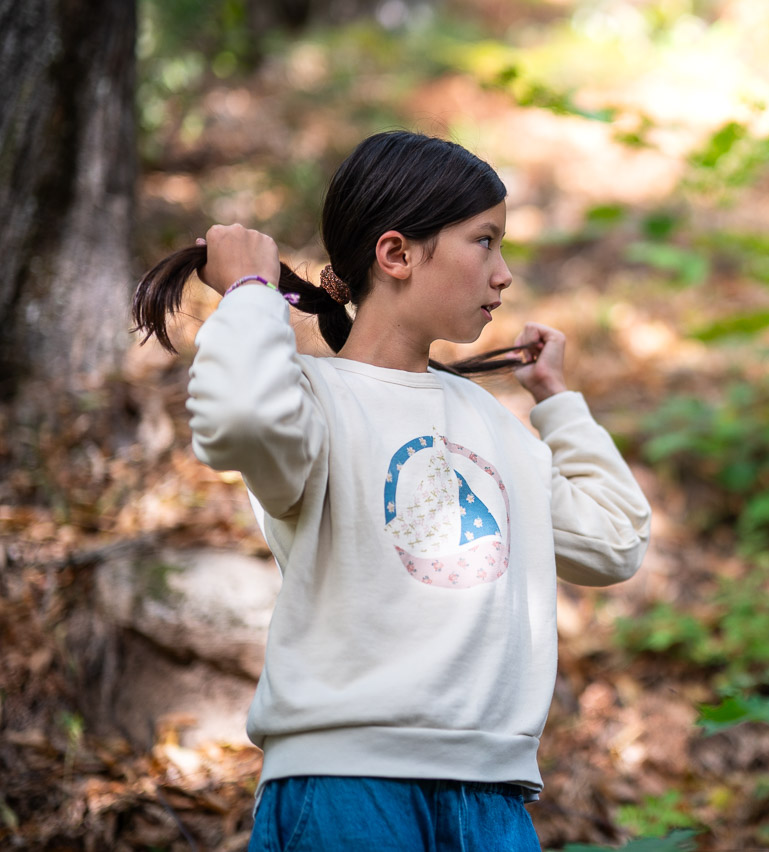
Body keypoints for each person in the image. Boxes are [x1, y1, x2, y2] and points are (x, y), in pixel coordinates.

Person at [132, 131, 652, 851]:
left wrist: (558, 403)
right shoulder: (309, 400)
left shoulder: (492, 425)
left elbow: (615, 541)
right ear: (397, 254)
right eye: (485, 242)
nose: (504, 275)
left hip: (492, 798)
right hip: (345, 785)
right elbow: (241, 420)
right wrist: (250, 292)